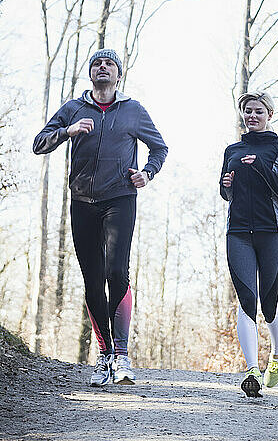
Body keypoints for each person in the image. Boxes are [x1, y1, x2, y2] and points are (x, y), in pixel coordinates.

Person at [33, 49, 168, 387]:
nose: (102, 67)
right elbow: (39, 143)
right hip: (82, 202)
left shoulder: (132, 110)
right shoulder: (73, 108)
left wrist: (147, 173)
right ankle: (105, 355)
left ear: (118, 74)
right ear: (90, 74)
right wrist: (68, 131)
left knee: (116, 271)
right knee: (93, 279)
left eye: (109, 63)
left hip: (120, 198)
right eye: (96, 63)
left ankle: (122, 356)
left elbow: (160, 147)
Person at [220, 91, 278, 397]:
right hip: (237, 231)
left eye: (258, 111)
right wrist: (225, 185)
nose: (252, 116)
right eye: (248, 111)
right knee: (246, 300)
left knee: (268, 304)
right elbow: (227, 193)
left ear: (269, 115)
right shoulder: (232, 149)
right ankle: (252, 370)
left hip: (272, 232)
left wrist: (262, 168)